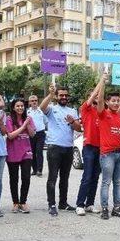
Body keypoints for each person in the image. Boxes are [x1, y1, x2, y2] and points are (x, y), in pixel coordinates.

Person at [40, 83, 82, 217]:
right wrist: (50, 95)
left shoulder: (73, 111)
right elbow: (42, 107)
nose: (64, 97)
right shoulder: (52, 109)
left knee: (65, 178)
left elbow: (78, 128)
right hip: (54, 147)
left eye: (66, 95)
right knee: (52, 177)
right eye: (61, 95)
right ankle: (51, 204)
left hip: (68, 147)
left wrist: (72, 122)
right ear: (57, 97)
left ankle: (63, 203)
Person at [96, 73, 120, 219]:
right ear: (107, 102)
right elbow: (100, 99)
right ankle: (104, 208)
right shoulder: (103, 114)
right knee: (106, 182)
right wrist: (103, 82)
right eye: (113, 101)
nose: (116, 103)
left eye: (117, 101)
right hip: (107, 154)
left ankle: (117, 208)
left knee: (118, 182)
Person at [75, 81, 103, 216]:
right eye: (94, 95)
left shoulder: (101, 111)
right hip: (89, 147)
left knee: (95, 176)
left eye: (98, 96)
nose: (97, 97)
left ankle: (89, 204)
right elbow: (92, 98)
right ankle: (80, 204)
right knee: (87, 176)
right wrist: (102, 81)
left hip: (100, 148)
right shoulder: (85, 109)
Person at [5, 98, 35, 214]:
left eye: (22, 106)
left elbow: (32, 134)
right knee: (14, 179)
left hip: (26, 152)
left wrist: (27, 125)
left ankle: (23, 202)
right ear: (13, 107)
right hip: (12, 152)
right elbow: (10, 136)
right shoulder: (8, 119)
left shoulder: (29, 119)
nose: (20, 108)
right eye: (17, 106)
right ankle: (15, 203)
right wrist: (23, 127)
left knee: (26, 177)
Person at [27, 95, 47, 176]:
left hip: (40, 134)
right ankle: (34, 169)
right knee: (32, 152)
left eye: (35, 100)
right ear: (29, 103)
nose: (34, 102)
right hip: (31, 135)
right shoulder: (27, 112)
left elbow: (46, 121)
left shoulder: (41, 111)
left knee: (39, 151)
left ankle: (39, 170)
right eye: (32, 101)